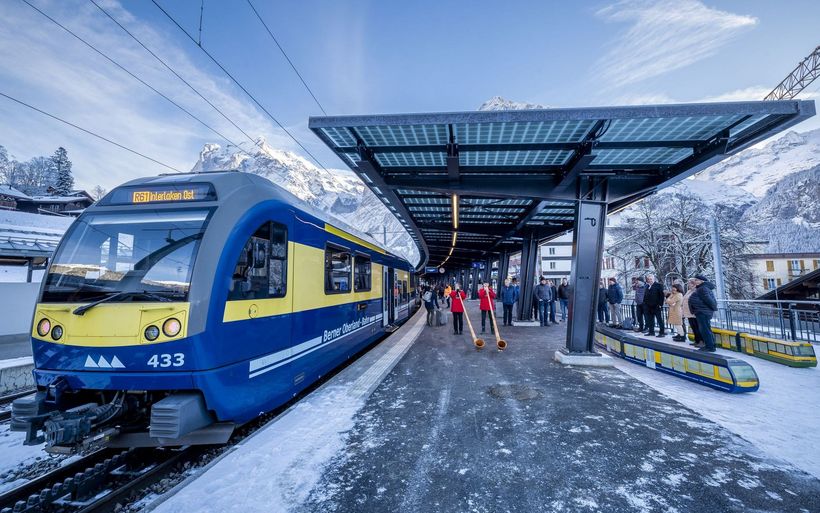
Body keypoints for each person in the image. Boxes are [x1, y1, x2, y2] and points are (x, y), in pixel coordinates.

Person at [688, 274, 718, 352]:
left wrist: (713, 308)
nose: (695, 281)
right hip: (702, 311)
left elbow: (709, 300)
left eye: (696, 280)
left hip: (703, 312)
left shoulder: (702, 288)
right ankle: (711, 345)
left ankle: (710, 347)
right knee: (706, 329)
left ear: (701, 281)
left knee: (705, 329)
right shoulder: (702, 288)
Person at [682, 278, 702, 347]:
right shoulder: (689, 291)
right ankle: (696, 340)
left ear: (693, 283)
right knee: (693, 327)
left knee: (697, 327)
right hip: (688, 312)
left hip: (693, 312)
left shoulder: (696, 290)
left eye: (689, 283)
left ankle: (700, 341)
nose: (688, 285)